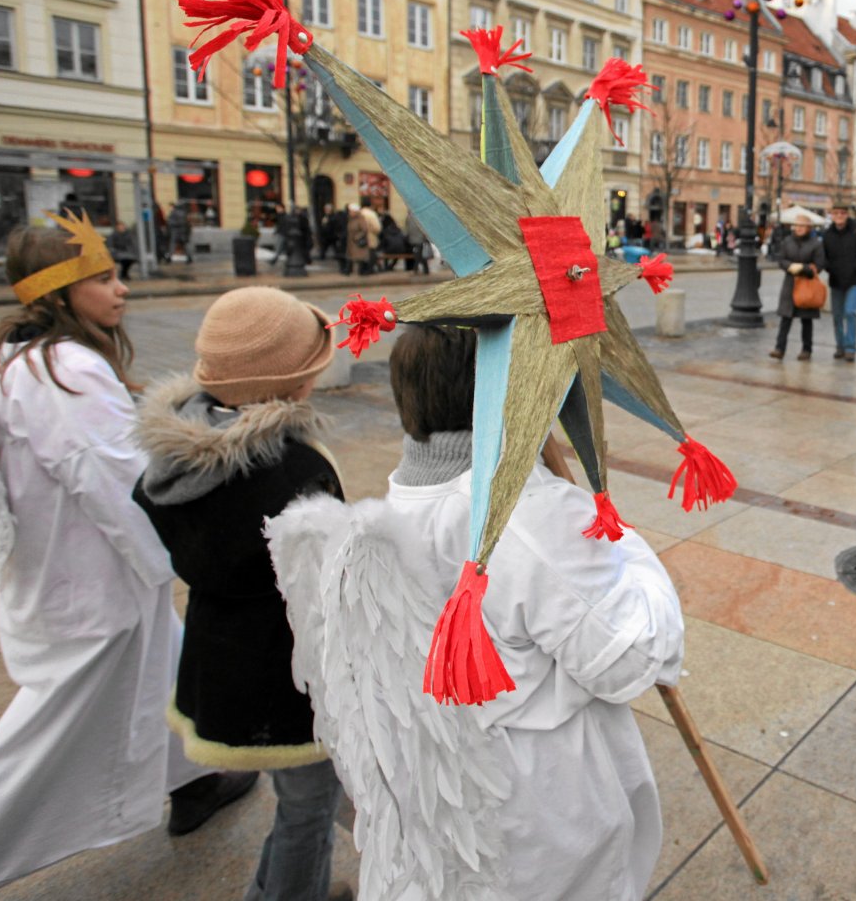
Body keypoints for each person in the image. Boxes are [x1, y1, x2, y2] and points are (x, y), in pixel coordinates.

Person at [265, 325, 685, 901]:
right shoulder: (528, 515)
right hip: (546, 794)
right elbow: (629, 657)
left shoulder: (405, 495)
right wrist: (631, 554)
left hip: (468, 785)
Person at [0, 221, 252, 901]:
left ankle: (195, 783)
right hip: (89, 587)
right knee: (42, 734)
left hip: (71, 573)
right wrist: (181, 551)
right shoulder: (69, 370)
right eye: (105, 279)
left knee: (170, 672)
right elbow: (115, 480)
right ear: (62, 291)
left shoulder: (17, 359)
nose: (122, 289)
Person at [133, 287, 349, 901]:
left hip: (217, 656)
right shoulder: (292, 471)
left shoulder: (169, 462)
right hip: (287, 675)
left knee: (298, 801)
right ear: (292, 384)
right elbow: (327, 582)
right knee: (308, 805)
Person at [821, 204, 856, 362]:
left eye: (842, 213)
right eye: (836, 213)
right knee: (837, 315)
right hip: (836, 279)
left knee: (850, 312)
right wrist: (828, 267)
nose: (839, 216)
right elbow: (823, 255)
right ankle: (840, 346)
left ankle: (850, 347)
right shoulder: (828, 234)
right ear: (831, 215)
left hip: (854, 279)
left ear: (847, 215)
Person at [770, 217, 827, 360]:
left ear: (809, 228)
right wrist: (789, 266)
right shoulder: (787, 241)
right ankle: (779, 348)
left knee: (806, 320)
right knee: (785, 319)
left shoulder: (816, 244)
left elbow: (819, 265)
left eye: (802, 226)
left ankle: (806, 350)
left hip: (807, 285)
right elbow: (781, 259)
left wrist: (804, 268)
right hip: (790, 283)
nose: (799, 228)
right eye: (796, 225)